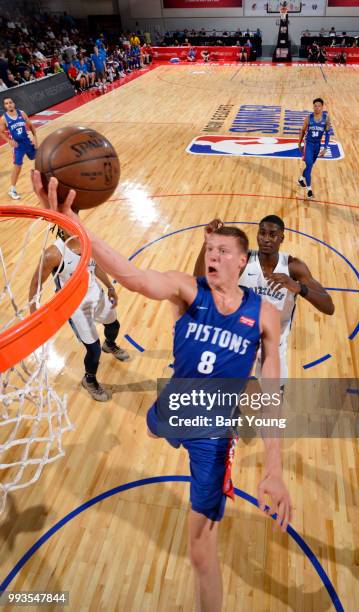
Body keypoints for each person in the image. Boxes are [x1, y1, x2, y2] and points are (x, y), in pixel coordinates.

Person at [33, 171, 292, 612]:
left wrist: (274, 467)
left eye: (222, 251)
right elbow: (131, 275)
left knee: (199, 554)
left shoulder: (264, 316)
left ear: (242, 261)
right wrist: (74, 222)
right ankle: (162, 428)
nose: (212, 256)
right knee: (156, 427)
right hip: (174, 404)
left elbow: (270, 396)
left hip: (213, 435)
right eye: (208, 249)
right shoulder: (185, 290)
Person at [194, 217, 334, 381]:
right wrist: (208, 243)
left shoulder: (293, 267)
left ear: (281, 237)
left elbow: (329, 307)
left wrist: (299, 288)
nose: (266, 239)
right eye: (262, 233)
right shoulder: (243, 262)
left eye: (273, 234)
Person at [29, 223, 129, 401]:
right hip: (74, 307)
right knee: (94, 350)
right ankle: (89, 380)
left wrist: (109, 288)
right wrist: (33, 313)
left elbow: (95, 266)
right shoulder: (54, 254)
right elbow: (36, 282)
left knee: (114, 325)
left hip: (96, 295)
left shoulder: (85, 240)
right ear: (60, 224)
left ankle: (110, 344)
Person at [0, 97, 37, 200]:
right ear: (5, 106)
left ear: (14, 103)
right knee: (18, 166)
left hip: (27, 142)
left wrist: (35, 139)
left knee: (39, 158)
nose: (9, 105)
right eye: (6, 103)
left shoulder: (22, 113)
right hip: (17, 146)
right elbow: (1, 131)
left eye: (10, 102)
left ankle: (44, 181)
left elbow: (31, 126)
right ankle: (12, 189)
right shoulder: (4, 118)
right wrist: (9, 141)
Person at [297, 97, 331, 199]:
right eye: (315, 106)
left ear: (322, 107)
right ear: (313, 107)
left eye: (319, 106)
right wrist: (299, 144)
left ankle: (300, 179)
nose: (317, 108)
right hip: (309, 144)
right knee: (309, 164)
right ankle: (309, 190)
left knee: (309, 167)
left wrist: (325, 148)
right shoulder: (308, 118)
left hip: (317, 145)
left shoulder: (326, 119)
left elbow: (328, 133)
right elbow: (302, 131)